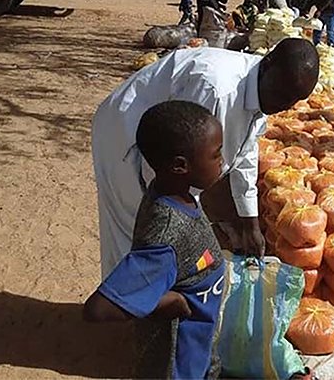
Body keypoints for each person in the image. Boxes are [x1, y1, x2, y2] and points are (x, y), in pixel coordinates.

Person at [91, 38, 320, 278]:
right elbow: (176, 164)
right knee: (135, 236)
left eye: (294, 100)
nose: (285, 105)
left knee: (164, 244)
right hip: (127, 135)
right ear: (268, 63)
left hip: (168, 151)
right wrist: (192, 227)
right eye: (283, 94)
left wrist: (249, 222)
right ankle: (123, 297)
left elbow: (246, 151)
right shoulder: (216, 90)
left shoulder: (264, 89)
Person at [83, 101, 227, 379]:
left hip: (197, 354)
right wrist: (168, 301)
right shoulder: (165, 234)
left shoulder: (179, 197)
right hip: (175, 368)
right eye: (216, 153)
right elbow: (99, 308)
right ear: (180, 166)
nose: (222, 159)